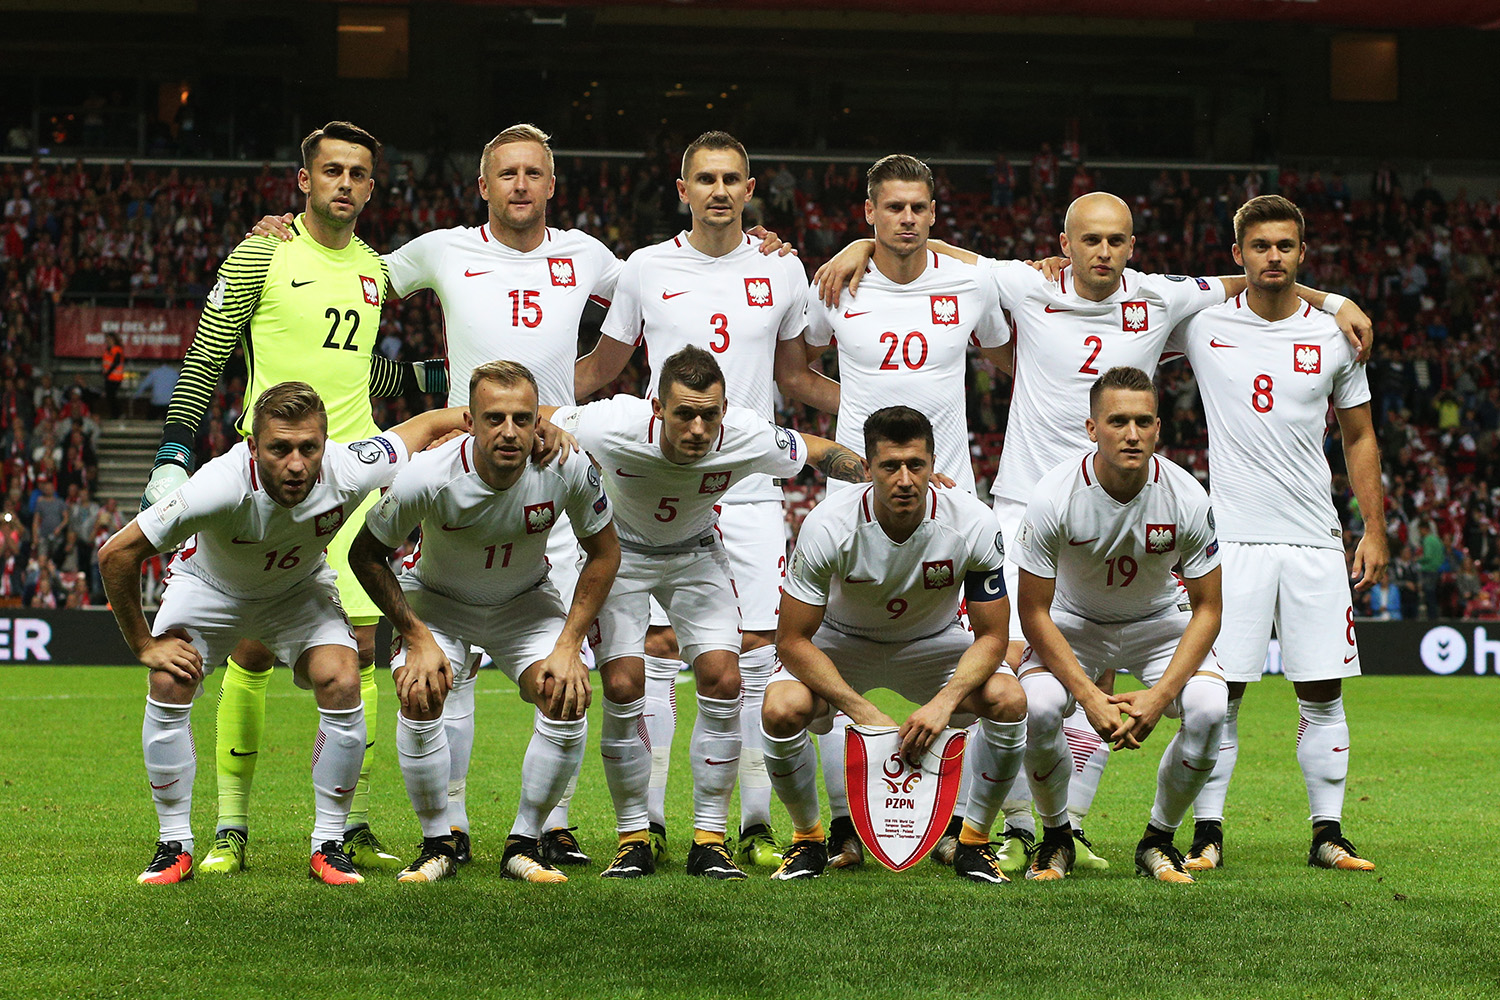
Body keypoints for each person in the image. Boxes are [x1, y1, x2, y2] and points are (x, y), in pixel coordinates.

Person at [253, 123, 789, 866]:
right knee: (452, 670)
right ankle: (455, 827)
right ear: (484, 186)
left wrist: (765, 247)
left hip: (557, 481)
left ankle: (552, 825)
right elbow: (353, 277)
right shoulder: (441, 249)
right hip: (461, 476)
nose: (520, 185)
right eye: (506, 173)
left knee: (569, 671)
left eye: (534, 173)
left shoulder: (590, 256)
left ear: (551, 185)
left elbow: (672, 279)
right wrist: (292, 233)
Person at [815, 188, 1372, 872]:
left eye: (1116, 240)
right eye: (1090, 240)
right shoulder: (1026, 282)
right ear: (1064, 244)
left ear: (1131, 247)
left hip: (1119, 505)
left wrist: (1334, 301)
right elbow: (945, 255)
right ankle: (985, 828)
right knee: (1011, 670)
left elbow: (1257, 273)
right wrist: (865, 245)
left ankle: (1052, 825)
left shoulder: (1160, 296)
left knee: (1094, 672)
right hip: (1028, 504)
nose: (1103, 252)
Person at [140, 121, 450, 878]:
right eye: (331, 171)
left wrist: (442, 383)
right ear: (303, 180)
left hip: (347, 486)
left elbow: (360, 377)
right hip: (269, 480)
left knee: (362, 654)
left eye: (358, 174)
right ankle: (230, 827)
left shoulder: (376, 268)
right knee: (250, 646)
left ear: (373, 187)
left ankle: (349, 821)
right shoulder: (264, 250)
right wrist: (175, 452)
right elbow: (212, 347)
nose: (345, 183)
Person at [573, 130, 839, 868]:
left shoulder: (783, 270)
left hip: (748, 488)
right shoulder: (645, 267)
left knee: (751, 656)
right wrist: (510, 405)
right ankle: (648, 823)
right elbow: (606, 366)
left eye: (732, 179)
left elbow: (796, 377)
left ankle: (750, 824)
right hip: (662, 485)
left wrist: (879, 432)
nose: (719, 190)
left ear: (751, 191)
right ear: (682, 189)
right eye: (705, 179)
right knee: (654, 653)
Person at [99, 382, 464, 885]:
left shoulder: (351, 465)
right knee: (169, 681)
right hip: (210, 588)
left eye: (308, 448)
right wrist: (144, 644)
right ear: (253, 447)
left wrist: (526, 425)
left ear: (325, 443)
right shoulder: (217, 485)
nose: (296, 464)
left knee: (343, 677)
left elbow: (425, 424)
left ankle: (328, 845)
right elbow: (116, 554)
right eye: (279, 449)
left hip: (297, 590)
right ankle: (174, 843)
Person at [546, 345, 865, 881]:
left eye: (709, 415)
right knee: (624, 687)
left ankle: (710, 840)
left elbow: (815, 449)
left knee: (724, 678)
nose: (697, 428)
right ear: (657, 408)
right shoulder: (611, 422)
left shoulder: (745, 433)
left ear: (724, 410)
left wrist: (881, 475)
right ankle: (633, 839)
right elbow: (529, 416)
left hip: (696, 554)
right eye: (684, 414)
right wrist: (537, 431)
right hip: (619, 554)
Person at [798, 152, 1012, 869]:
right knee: (827, 674)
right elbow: (794, 373)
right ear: (869, 211)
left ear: (933, 212)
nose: (908, 219)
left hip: (951, 503)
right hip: (853, 501)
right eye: (893, 208)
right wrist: (864, 417)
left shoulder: (972, 282)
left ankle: (957, 825)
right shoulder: (833, 287)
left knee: (975, 676)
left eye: (919, 207)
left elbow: (1005, 353)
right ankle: (843, 828)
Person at [1170, 195, 1388, 873]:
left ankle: (1328, 834)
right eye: (1260, 246)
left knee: (1322, 691)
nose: (1273, 257)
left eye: (1285, 246)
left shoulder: (1334, 337)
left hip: (1314, 539)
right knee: (1220, 695)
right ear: (1237, 254)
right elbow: (1125, 299)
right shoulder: (1204, 323)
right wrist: (1336, 296)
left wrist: (1373, 529)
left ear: (1302, 252)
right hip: (1229, 541)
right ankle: (1208, 832)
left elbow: (1360, 437)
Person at [348, 360, 620, 883]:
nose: (509, 432)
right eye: (494, 418)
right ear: (468, 421)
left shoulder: (568, 467)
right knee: (421, 690)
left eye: (523, 418)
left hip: (523, 603)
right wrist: (414, 634)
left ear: (539, 421)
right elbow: (366, 554)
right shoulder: (427, 475)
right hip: (437, 602)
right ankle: (438, 844)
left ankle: (524, 842)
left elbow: (605, 554)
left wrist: (569, 644)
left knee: (567, 691)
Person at [764, 406, 1027, 882]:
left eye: (916, 465)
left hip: (934, 642)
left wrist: (945, 702)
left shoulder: (972, 521)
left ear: (932, 465)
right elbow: (792, 640)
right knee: (781, 708)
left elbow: (992, 635)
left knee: (1009, 700)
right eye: (890, 466)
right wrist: (859, 709)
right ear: (867, 470)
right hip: (842, 642)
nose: (904, 479)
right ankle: (806, 841)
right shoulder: (827, 525)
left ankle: (974, 842)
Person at [1015, 366, 1226, 883]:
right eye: (1117, 422)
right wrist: (1088, 697)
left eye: (1142, 422)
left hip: (1158, 622)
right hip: (1073, 622)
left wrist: (1157, 699)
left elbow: (1209, 609)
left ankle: (1158, 839)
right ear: (1092, 429)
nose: (1131, 434)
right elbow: (1033, 611)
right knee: (1040, 707)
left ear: (1158, 428)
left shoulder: (1187, 497)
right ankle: (1056, 836)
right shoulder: (1053, 495)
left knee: (1208, 708)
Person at [101, 333, 125, 419]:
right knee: (110, 396)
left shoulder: (117, 349)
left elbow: (116, 361)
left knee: (112, 396)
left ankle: (117, 414)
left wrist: (108, 372)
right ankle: (114, 414)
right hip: (109, 377)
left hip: (115, 377)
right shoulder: (108, 350)